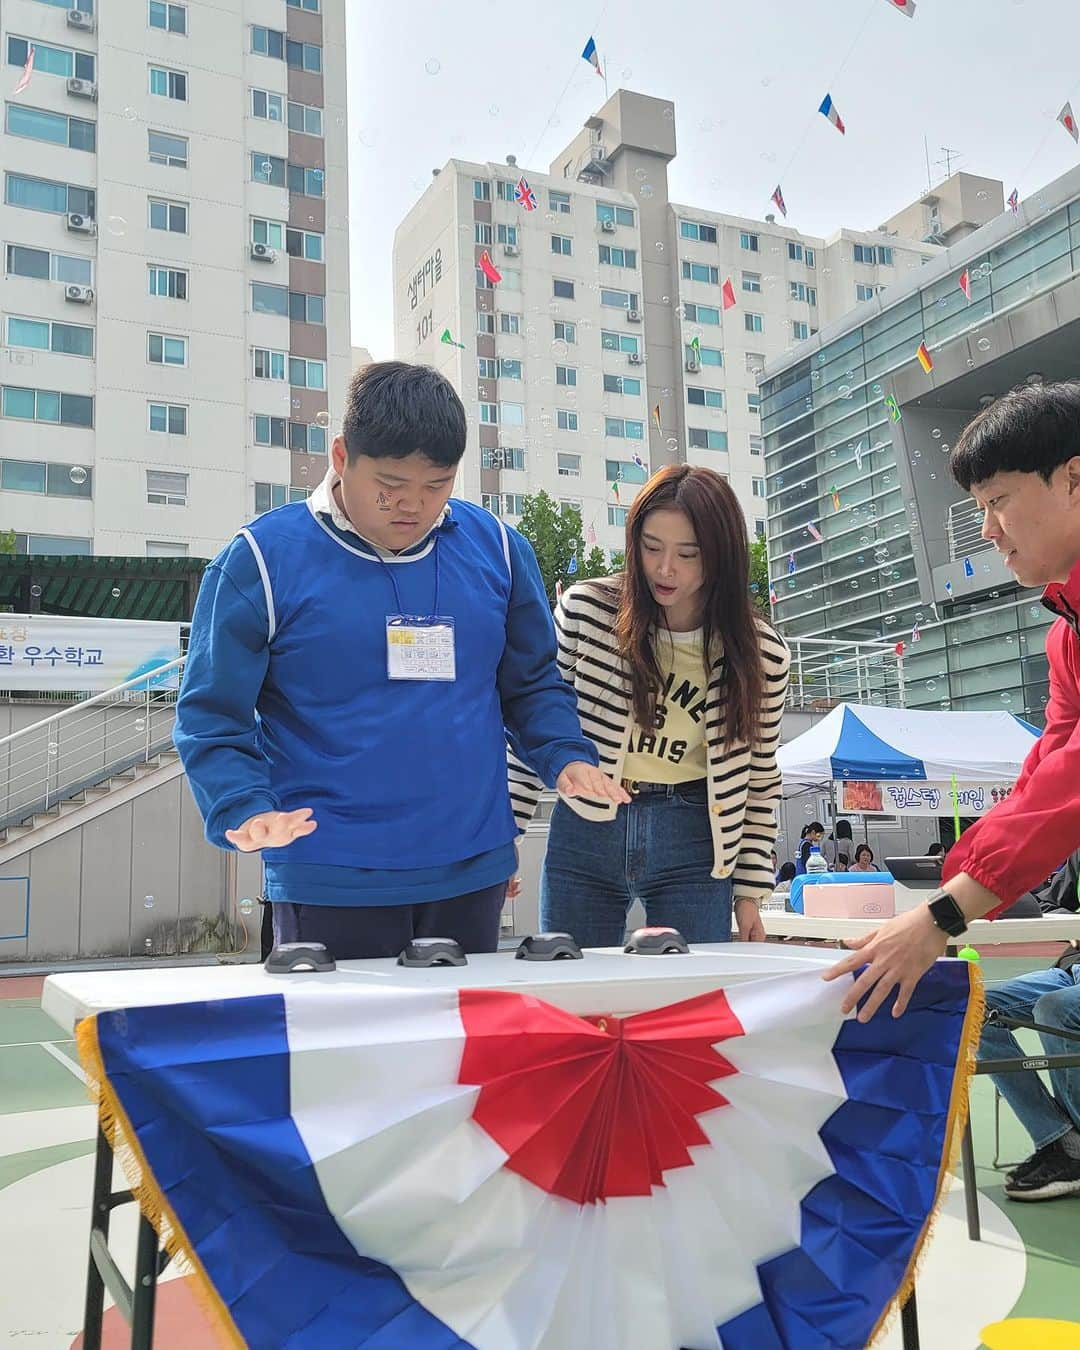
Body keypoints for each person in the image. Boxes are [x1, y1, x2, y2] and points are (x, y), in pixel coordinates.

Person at [174, 360, 624, 960]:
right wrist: (243, 804)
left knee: (457, 1051)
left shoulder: (500, 550)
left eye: (436, 485)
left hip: (471, 866)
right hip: (329, 867)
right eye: (389, 485)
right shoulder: (260, 560)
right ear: (340, 457)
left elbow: (533, 685)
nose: (411, 506)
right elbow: (211, 715)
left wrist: (565, 755)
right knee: (341, 1051)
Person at [827, 381, 1080, 1019]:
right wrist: (943, 898)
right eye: (979, 507)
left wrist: (942, 913)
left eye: (998, 501)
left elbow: (1068, 785)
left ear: (1074, 479)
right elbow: (1042, 778)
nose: (988, 530)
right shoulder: (1065, 634)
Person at [533, 464, 791, 947]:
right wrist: (506, 836)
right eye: (651, 548)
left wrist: (751, 892)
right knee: (575, 991)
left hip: (694, 833)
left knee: (688, 1001)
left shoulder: (761, 654)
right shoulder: (588, 613)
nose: (665, 569)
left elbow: (759, 779)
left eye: (688, 554)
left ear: (721, 557)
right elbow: (536, 719)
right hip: (588, 824)